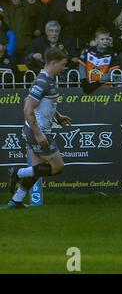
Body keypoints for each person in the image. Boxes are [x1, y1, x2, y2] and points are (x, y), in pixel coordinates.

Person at [6, 48, 72, 209]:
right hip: (38, 131)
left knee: (36, 171)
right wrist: (38, 133)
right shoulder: (42, 81)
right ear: (53, 63)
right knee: (57, 167)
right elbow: (27, 108)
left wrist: (58, 116)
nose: (64, 68)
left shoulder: (48, 80)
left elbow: (43, 104)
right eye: (63, 65)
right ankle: (17, 172)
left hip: (37, 130)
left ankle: (16, 201)